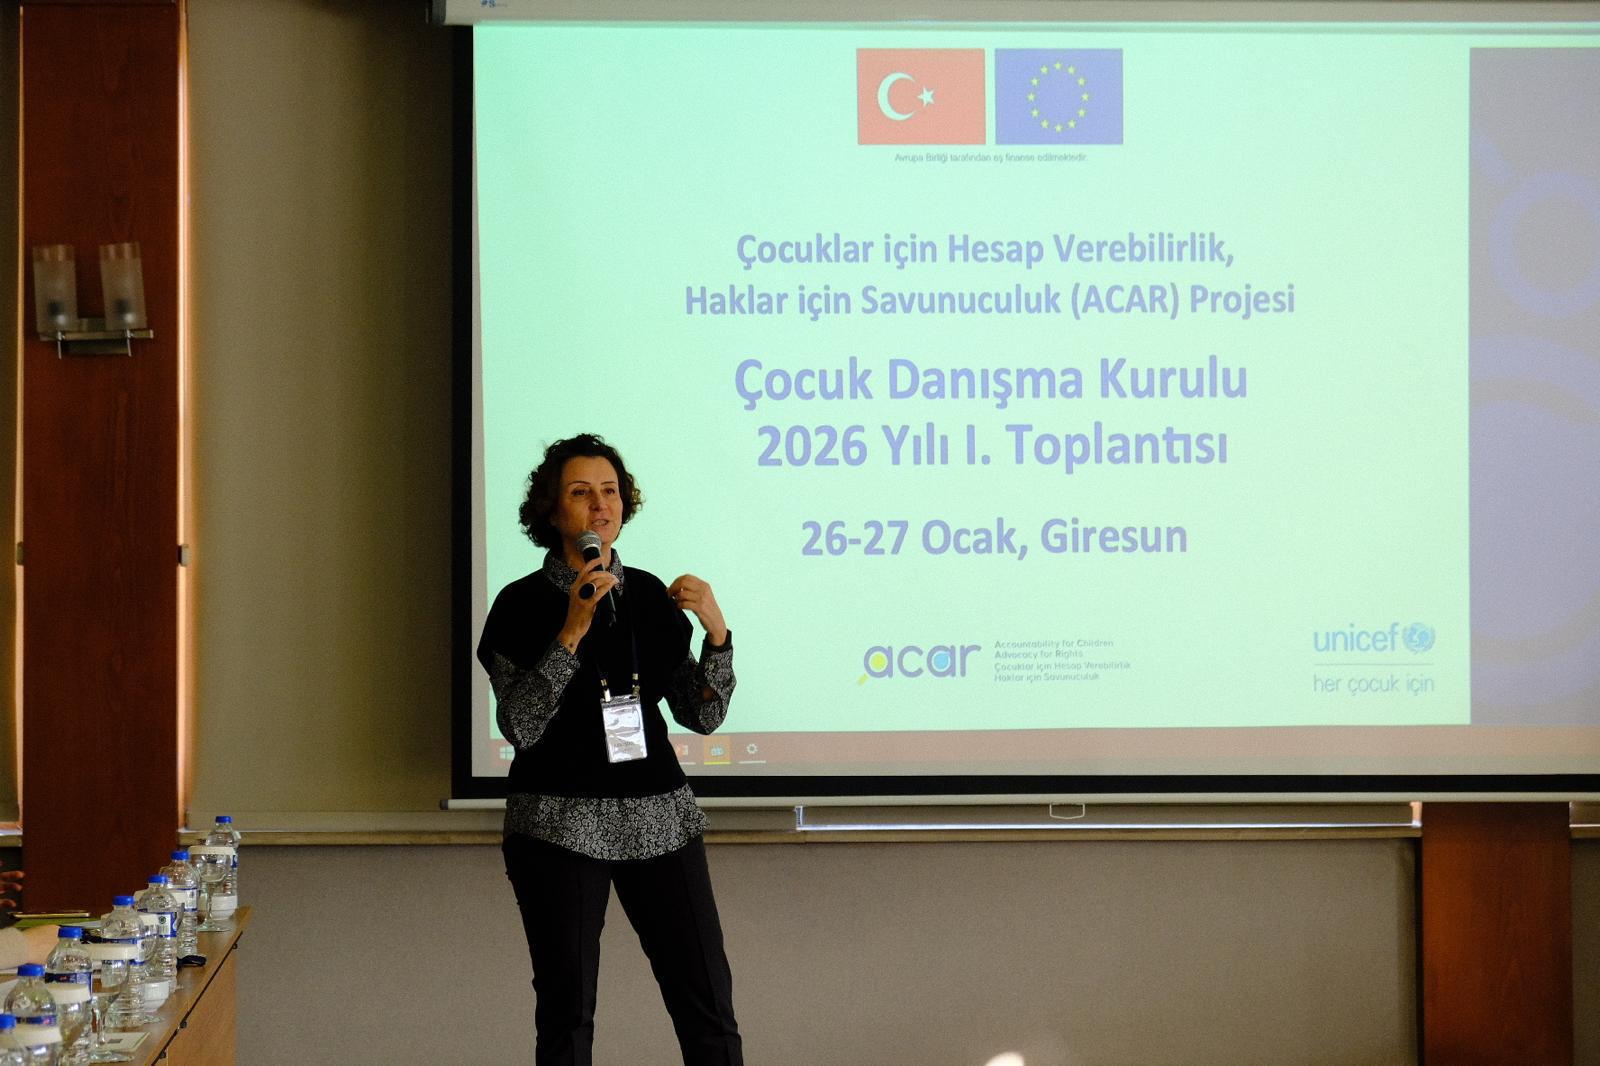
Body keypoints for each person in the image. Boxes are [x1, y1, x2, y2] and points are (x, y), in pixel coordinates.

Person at [477, 433, 743, 1066]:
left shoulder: (648, 595)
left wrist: (717, 634)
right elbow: (521, 726)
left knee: (708, 1004)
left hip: (660, 818)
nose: (600, 506)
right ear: (551, 510)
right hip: (558, 824)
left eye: (610, 492)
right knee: (567, 1015)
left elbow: (702, 714)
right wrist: (572, 631)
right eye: (581, 492)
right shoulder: (517, 605)